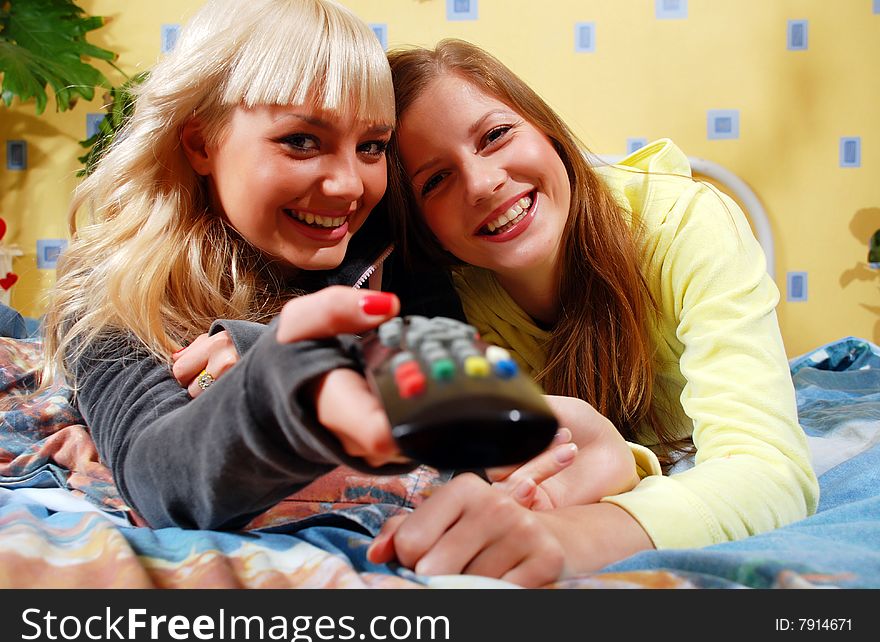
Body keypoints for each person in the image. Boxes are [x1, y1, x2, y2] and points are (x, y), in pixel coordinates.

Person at [40, 1, 637, 539]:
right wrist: (286, 380)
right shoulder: (112, 292)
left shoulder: (391, 248)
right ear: (200, 143)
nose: (349, 185)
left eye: (372, 146)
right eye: (301, 141)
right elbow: (159, 480)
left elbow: (466, 413)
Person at [368, 39, 819, 584]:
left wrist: (572, 537)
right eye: (435, 180)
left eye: (495, 136)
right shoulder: (452, 302)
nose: (483, 184)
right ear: (421, 224)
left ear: (546, 130)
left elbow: (772, 473)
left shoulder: (684, 227)